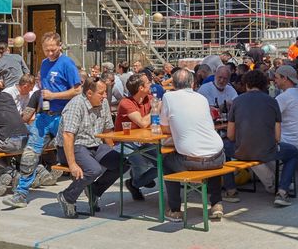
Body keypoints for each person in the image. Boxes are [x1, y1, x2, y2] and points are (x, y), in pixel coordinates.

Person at [3, 32, 81, 208]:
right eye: (46, 50)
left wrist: (54, 95)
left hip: (63, 116)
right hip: (44, 116)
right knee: (30, 154)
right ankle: (20, 194)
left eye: (53, 49)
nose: (50, 53)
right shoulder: (44, 64)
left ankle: (82, 190)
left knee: (73, 155)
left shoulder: (67, 63)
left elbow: (77, 90)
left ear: (60, 46)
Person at [222, 70, 298, 207]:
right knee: (293, 152)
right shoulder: (272, 101)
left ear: (246, 84)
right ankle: (282, 191)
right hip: (267, 151)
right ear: (263, 84)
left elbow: (230, 135)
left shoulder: (237, 101)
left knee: (222, 149)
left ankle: (231, 190)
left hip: (241, 151)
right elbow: (277, 136)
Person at [160, 69, 226, 221]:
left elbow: (164, 127)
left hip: (191, 161)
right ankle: (216, 204)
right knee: (211, 154)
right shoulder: (201, 98)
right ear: (192, 83)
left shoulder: (168, 97)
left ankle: (175, 209)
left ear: (173, 84)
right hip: (218, 157)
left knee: (167, 162)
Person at [55, 77, 120, 218]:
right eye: (101, 93)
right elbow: (67, 136)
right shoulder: (75, 105)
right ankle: (68, 197)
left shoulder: (103, 104)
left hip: (94, 144)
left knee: (121, 162)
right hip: (73, 146)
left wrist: (111, 152)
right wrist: (72, 164)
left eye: (105, 93)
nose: (104, 96)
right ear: (89, 93)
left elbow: (108, 130)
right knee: (93, 170)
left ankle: (94, 191)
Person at [115, 73, 157, 201]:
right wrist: (155, 109)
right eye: (148, 83)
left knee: (164, 162)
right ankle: (137, 182)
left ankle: (138, 181)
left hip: (143, 140)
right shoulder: (126, 103)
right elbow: (143, 123)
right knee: (142, 165)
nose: (151, 84)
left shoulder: (148, 98)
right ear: (141, 88)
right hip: (124, 141)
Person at [274, 65, 298, 153]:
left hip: (291, 142)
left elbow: (268, 118)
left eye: (276, 77)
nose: (274, 81)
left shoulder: (284, 97)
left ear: (284, 78)